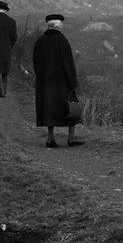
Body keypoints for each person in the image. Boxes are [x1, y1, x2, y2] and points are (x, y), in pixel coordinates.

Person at [32, 13, 84, 148]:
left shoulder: (40, 41)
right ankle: (71, 138)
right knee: (70, 107)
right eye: (61, 23)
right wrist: (73, 83)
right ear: (58, 25)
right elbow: (68, 63)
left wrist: (41, 77)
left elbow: (36, 62)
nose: (63, 25)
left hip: (45, 82)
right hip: (61, 82)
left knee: (48, 108)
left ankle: (50, 138)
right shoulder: (62, 41)